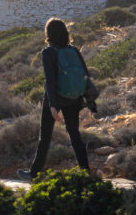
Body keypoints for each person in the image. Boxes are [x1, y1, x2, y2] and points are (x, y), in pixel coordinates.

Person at [18, 17, 92, 181]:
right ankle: (86, 173)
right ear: (66, 33)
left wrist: (52, 106)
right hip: (73, 98)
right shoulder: (74, 50)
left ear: (49, 34)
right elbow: (85, 74)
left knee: (44, 137)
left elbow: (50, 80)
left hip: (56, 98)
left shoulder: (48, 52)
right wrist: (87, 99)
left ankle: (34, 174)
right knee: (74, 135)